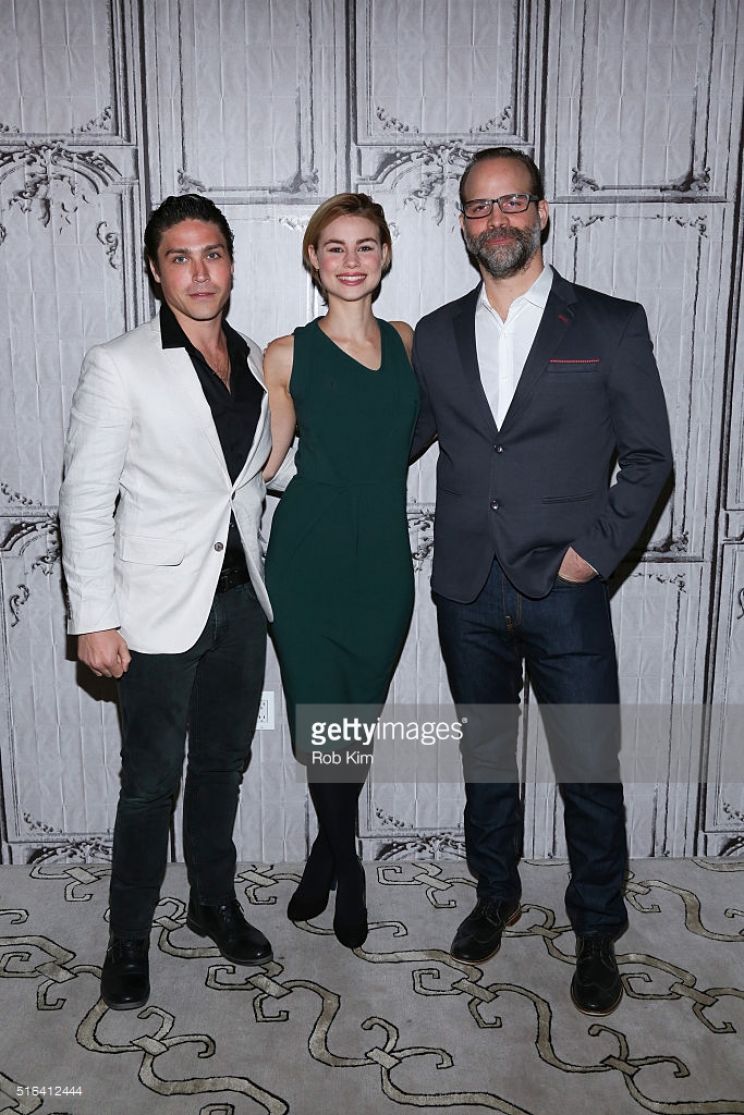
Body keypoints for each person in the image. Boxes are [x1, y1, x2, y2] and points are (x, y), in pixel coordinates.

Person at [411, 147, 673, 1014]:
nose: (497, 220)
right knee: (486, 754)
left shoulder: (608, 323)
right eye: (479, 208)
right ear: (462, 224)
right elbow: (398, 435)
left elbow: (650, 458)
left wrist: (589, 555)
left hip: (565, 588)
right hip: (467, 585)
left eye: (512, 202)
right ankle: (496, 892)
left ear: (542, 211)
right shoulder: (436, 334)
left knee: (589, 761)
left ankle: (597, 926)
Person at [59, 194, 292, 1010]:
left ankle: (212, 902)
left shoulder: (256, 357)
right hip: (154, 607)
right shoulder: (119, 363)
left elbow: (253, 477)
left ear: (231, 264)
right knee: (151, 780)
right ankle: (127, 936)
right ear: (156, 272)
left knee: (225, 763)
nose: (200, 272)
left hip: (240, 602)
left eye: (213, 254)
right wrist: (94, 617)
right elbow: (84, 499)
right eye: (180, 257)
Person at [263, 193, 419, 949]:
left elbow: (416, 431)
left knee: (353, 718)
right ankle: (349, 866)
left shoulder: (407, 340)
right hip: (309, 554)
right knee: (321, 717)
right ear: (313, 260)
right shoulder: (285, 353)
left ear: (384, 255)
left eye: (364, 246)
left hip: (384, 554)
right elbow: (267, 460)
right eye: (335, 247)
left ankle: (324, 853)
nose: (350, 261)